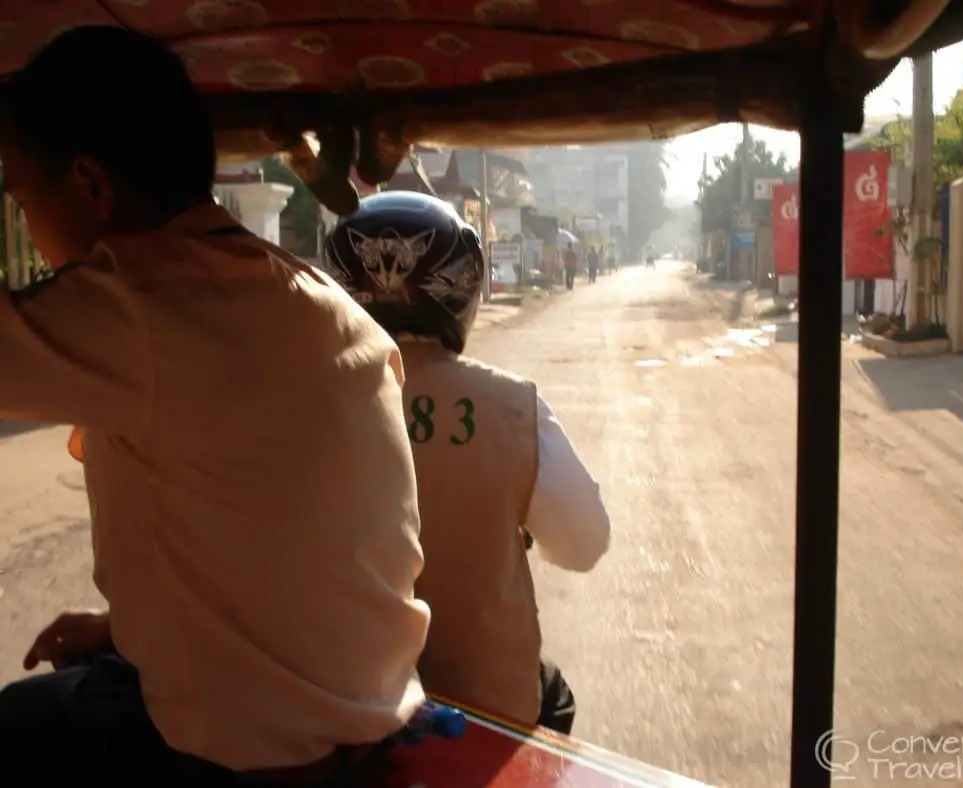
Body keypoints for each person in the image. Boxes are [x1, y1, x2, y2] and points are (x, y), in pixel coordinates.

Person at [0, 27, 429, 784]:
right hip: (365, 718)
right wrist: (118, 629)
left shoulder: (137, 300)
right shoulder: (318, 299)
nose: (26, 225)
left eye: (22, 196)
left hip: (238, 761)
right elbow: (277, 549)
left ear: (93, 187)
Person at [323, 192, 612, 735]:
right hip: (484, 710)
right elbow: (583, 544)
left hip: (337, 710)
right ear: (461, 291)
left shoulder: (296, 402)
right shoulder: (510, 406)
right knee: (553, 698)